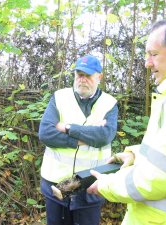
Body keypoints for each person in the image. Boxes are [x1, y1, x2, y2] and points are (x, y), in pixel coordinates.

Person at [87, 19, 166, 224]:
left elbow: (163, 176)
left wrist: (108, 185)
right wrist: (135, 155)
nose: (147, 63)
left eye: (153, 54)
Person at [39, 55, 118, 225]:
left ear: (99, 77)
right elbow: (45, 133)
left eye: (87, 75)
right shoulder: (59, 97)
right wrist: (80, 140)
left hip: (90, 186)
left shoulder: (109, 103)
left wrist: (68, 128)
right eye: (79, 74)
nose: (82, 79)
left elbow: (104, 136)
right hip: (55, 185)